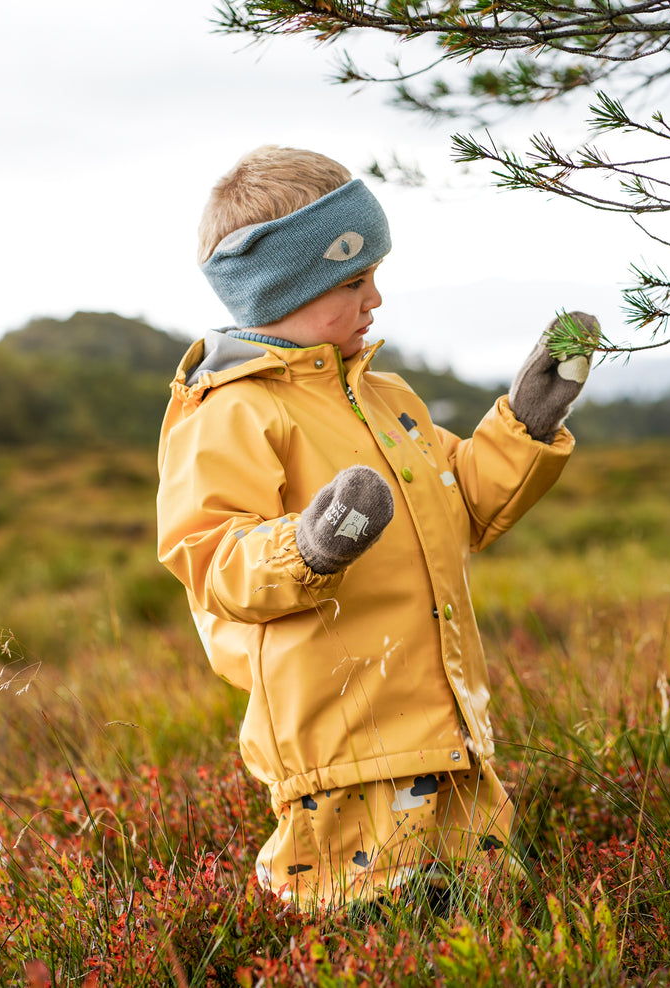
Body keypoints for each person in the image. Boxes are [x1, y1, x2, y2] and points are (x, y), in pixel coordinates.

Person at [156, 145, 597, 909]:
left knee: (485, 916)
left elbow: (461, 509)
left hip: (446, 724)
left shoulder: (390, 399)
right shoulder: (232, 412)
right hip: (339, 743)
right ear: (284, 290)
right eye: (356, 281)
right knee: (348, 917)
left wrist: (525, 425)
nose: (376, 300)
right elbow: (211, 558)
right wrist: (309, 547)